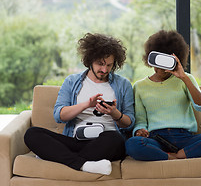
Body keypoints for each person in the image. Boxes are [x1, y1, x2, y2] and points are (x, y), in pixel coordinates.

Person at [24, 33, 135, 175]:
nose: (104, 70)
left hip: (106, 143)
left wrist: (114, 113)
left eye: (109, 65)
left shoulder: (123, 84)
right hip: (75, 141)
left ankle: (58, 156)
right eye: (100, 64)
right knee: (32, 134)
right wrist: (86, 105)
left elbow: (130, 123)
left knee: (115, 139)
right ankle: (84, 164)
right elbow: (60, 115)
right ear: (90, 60)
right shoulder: (72, 82)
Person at [125, 30, 201, 161]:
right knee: (132, 144)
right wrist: (139, 131)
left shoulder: (186, 79)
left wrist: (184, 77)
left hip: (185, 138)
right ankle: (171, 156)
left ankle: (179, 155)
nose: (161, 69)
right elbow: (140, 121)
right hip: (156, 140)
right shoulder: (140, 86)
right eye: (158, 62)